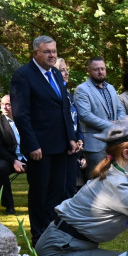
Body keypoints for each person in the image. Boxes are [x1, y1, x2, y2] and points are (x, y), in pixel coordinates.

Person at [34, 115, 128, 256]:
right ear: (127, 153)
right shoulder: (119, 187)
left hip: (65, 248)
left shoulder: (121, 175)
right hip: (61, 255)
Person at [10, 36, 78, 244]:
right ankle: (39, 235)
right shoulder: (23, 75)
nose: (52, 55)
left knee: (57, 192)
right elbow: (22, 114)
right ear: (35, 53)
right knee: (40, 192)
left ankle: (53, 233)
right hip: (39, 148)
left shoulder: (56, 74)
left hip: (61, 145)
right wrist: (32, 145)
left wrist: (72, 138)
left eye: (54, 51)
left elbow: (64, 108)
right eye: (47, 51)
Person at [74, 57, 126, 173]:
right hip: (95, 145)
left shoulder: (110, 88)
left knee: (116, 178)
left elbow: (120, 109)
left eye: (102, 69)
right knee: (97, 179)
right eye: (96, 69)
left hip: (114, 142)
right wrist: (111, 126)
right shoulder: (82, 89)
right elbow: (85, 115)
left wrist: (119, 122)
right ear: (89, 71)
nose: (100, 72)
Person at [0, 95, 25, 215]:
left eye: (8, 104)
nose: (4, 107)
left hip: (29, 157)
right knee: (0, 168)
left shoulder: (25, 120)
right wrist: (14, 161)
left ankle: (42, 202)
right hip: (10, 158)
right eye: (2, 104)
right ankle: (9, 205)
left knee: (45, 165)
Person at [56, 58, 86, 195]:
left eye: (67, 70)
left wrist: (79, 138)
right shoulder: (56, 95)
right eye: (62, 70)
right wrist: (70, 139)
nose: (66, 73)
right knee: (61, 186)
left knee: (71, 185)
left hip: (73, 144)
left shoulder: (68, 94)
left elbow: (75, 118)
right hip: (62, 145)